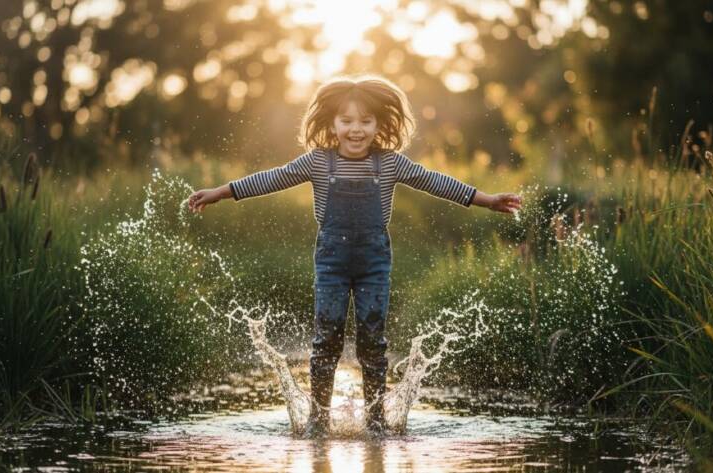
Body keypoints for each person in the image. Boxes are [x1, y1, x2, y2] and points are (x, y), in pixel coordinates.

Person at [187, 75, 522, 439]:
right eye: (346, 121)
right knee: (326, 340)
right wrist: (221, 192)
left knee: (373, 343)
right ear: (332, 124)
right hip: (330, 263)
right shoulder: (318, 162)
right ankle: (317, 421)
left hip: (374, 265)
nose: (356, 130)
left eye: (365, 121)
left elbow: (435, 181)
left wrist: (485, 200)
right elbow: (272, 178)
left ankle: (376, 423)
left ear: (380, 125)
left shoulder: (390, 164)